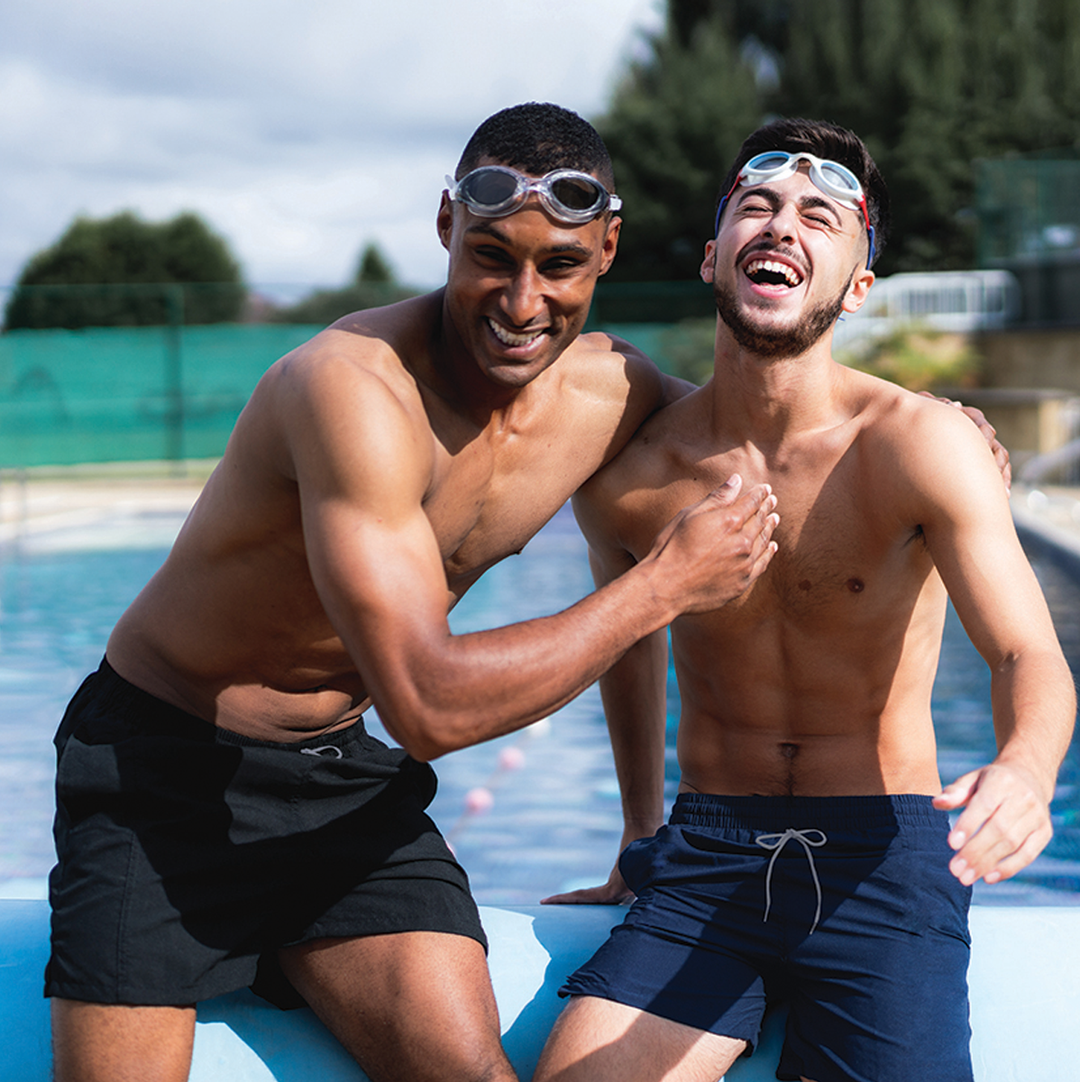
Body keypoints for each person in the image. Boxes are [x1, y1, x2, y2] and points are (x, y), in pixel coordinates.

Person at [44, 103, 1002, 1082]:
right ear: (447, 228)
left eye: (560, 266)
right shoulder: (352, 388)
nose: (521, 301)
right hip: (160, 771)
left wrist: (941, 430)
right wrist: (662, 586)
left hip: (335, 778)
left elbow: (782, 414)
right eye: (493, 256)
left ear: (608, 250)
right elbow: (427, 705)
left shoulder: (619, 400)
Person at [535, 118, 1075, 1082]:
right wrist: (638, 833)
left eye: (820, 216)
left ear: (858, 284)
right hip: (705, 857)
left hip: (888, 856)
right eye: (757, 207)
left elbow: (1027, 653)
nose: (783, 225)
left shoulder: (917, 445)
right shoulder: (636, 474)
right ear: (713, 257)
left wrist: (1026, 773)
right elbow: (626, 655)